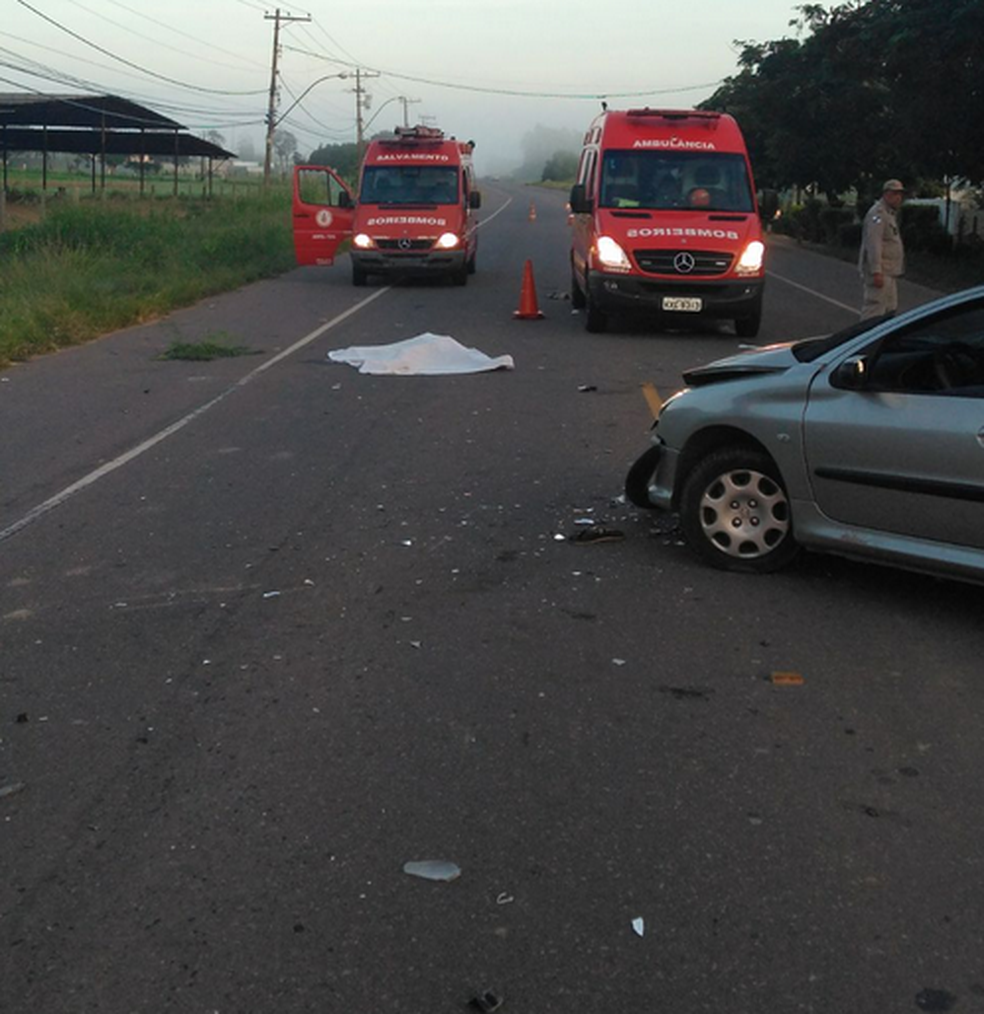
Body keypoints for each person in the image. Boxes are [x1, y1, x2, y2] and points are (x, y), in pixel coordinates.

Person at [859, 179, 906, 320]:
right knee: (874, 309)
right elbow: (874, 244)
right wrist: (876, 271)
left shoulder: (889, 214)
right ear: (886, 194)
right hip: (881, 271)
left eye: (900, 194)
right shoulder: (878, 214)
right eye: (895, 194)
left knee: (889, 309)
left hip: (890, 271)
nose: (899, 198)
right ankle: (865, 339)